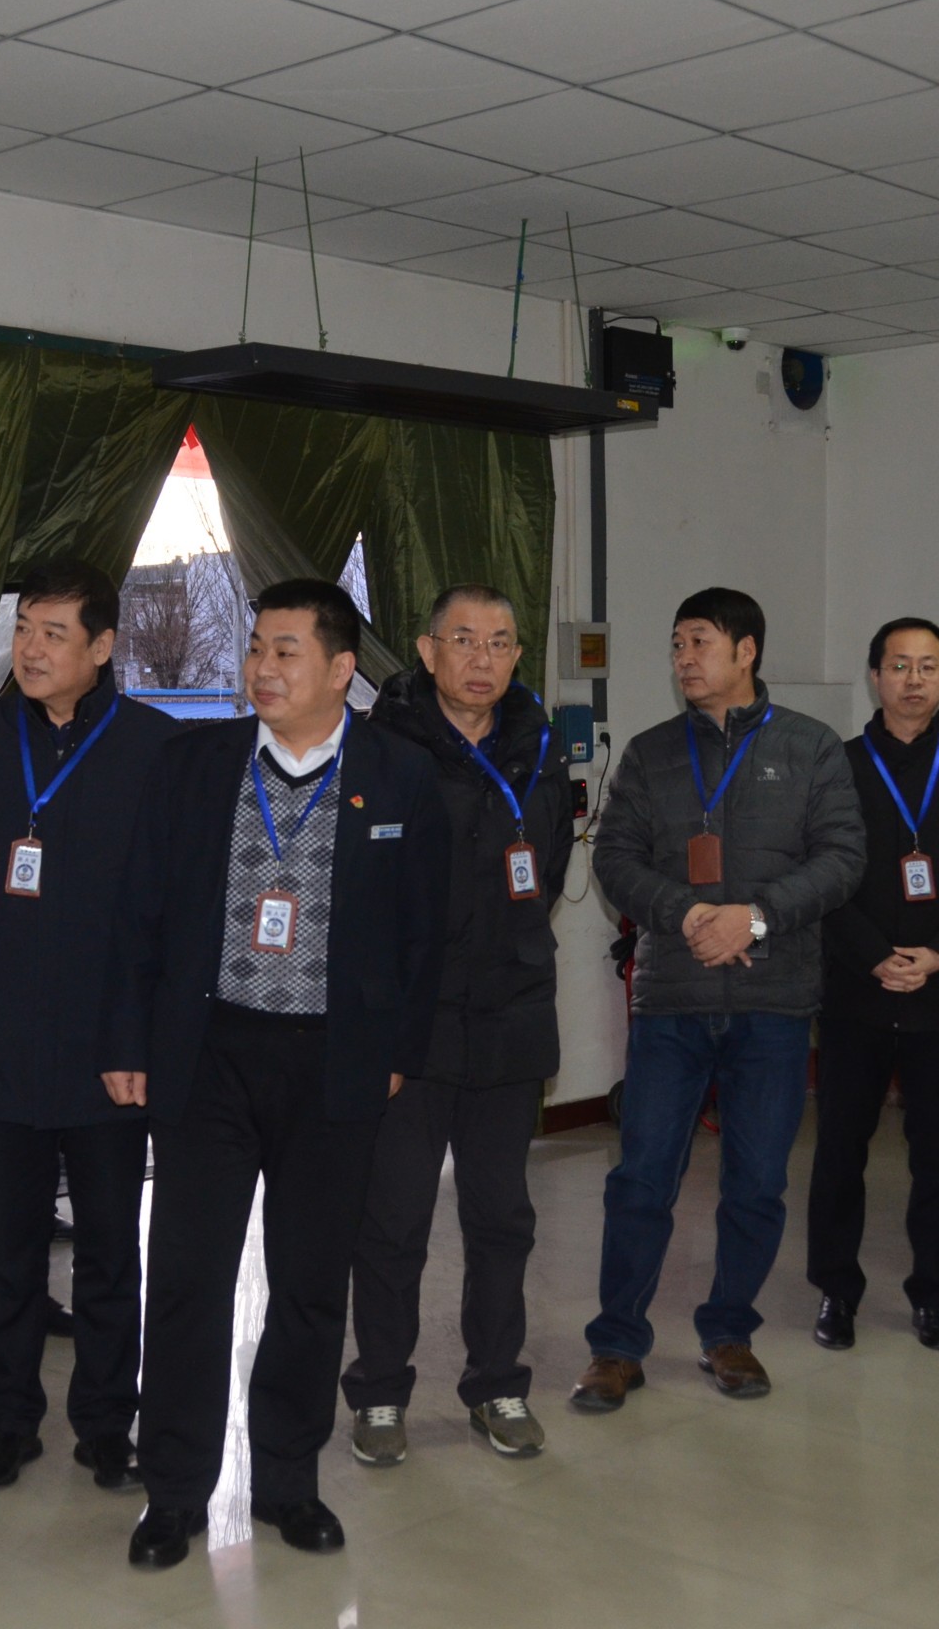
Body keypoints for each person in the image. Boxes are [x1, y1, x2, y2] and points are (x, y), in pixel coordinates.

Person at [106, 578, 449, 1571]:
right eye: (256, 647)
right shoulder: (194, 763)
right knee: (186, 1278)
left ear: (341, 669)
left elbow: (426, 931)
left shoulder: (399, 775)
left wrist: (398, 1054)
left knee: (308, 1282)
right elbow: (139, 911)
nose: (261, 667)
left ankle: (289, 1482)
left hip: (334, 1063)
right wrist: (127, 1042)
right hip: (210, 1054)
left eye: (285, 651)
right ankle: (174, 1489)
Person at [0, 558, 179, 1494]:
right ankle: (7, 1423)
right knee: (13, 1252)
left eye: (53, 633)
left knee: (110, 1251)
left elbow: (172, 903)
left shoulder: (153, 747)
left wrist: (142, 1032)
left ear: (102, 648)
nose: (30, 649)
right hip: (4, 1040)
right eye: (24, 628)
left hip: (110, 1049)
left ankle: (106, 1425)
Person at [574, 587, 865, 1410]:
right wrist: (689, 914)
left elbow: (843, 857)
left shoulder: (811, 747)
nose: (683, 659)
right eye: (676, 645)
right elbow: (614, 858)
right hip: (671, 998)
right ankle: (616, 1346)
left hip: (773, 1002)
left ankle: (729, 1333)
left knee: (757, 1182)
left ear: (747, 651)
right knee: (641, 1180)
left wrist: (755, 917)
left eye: (699, 642)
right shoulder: (650, 753)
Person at [342, 585, 575, 1464]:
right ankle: (379, 1394)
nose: (483, 659)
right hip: (413, 1026)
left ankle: (497, 1385)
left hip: (512, 1017)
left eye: (501, 642)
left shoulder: (538, 748)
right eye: (464, 640)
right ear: (426, 650)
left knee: (502, 1218)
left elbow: (547, 870)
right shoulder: (381, 749)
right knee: (394, 1221)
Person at [808, 618, 939, 1353]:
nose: (914, 679)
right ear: (875, 676)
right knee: (841, 1150)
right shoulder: (838, 765)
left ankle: (935, 1291)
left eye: (928, 666)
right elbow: (823, 876)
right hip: (857, 990)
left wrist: (938, 956)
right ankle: (836, 1289)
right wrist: (874, 957)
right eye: (899, 665)